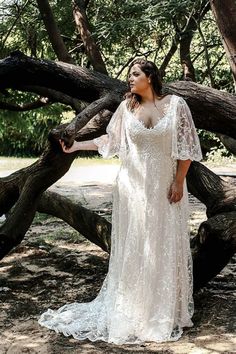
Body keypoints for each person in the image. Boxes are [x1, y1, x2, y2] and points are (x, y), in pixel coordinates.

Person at [38, 58, 202, 344]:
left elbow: (186, 146)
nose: (129, 79)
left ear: (150, 77)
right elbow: (109, 141)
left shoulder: (176, 105)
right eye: (129, 75)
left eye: (134, 74)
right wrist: (76, 145)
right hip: (132, 189)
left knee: (163, 242)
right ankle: (135, 310)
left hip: (164, 186)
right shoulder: (128, 108)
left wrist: (178, 181)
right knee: (136, 246)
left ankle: (164, 311)